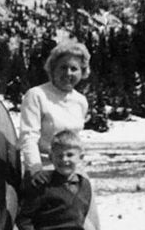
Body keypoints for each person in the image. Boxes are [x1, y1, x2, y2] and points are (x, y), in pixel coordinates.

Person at [19, 39, 91, 184]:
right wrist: (35, 169)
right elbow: (29, 137)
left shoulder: (81, 101)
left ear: (82, 72)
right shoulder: (37, 95)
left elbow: (75, 138)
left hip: (71, 168)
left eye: (74, 69)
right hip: (43, 169)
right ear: (53, 69)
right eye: (63, 68)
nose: (68, 73)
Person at [16, 130, 100, 230]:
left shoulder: (84, 185)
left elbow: (81, 218)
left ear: (80, 157)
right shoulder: (43, 185)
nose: (64, 160)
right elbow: (24, 218)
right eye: (59, 156)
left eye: (70, 155)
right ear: (51, 158)